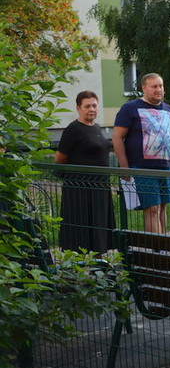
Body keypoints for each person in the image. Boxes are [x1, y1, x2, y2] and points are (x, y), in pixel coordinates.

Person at [112, 73, 170, 234]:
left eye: (161, 86)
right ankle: (155, 252)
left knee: (162, 208)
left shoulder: (169, 110)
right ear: (144, 88)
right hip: (143, 168)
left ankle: (164, 249)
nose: (158, 90)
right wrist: (124, 166)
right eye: (154, 86)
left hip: (167, 168)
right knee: (152, 209)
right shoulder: (130, 108)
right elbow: (117, 137)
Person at [54, 91, 115, 253]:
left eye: (94, 105)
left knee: (99, 223)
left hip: (100, 186)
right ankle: (78, 262)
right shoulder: (73, 129)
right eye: (87, 106)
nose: (91, 109)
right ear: (78, 108)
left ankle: (98, 260)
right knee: (81, 223)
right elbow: (60, 158)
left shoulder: (96, 127)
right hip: (80, 188)